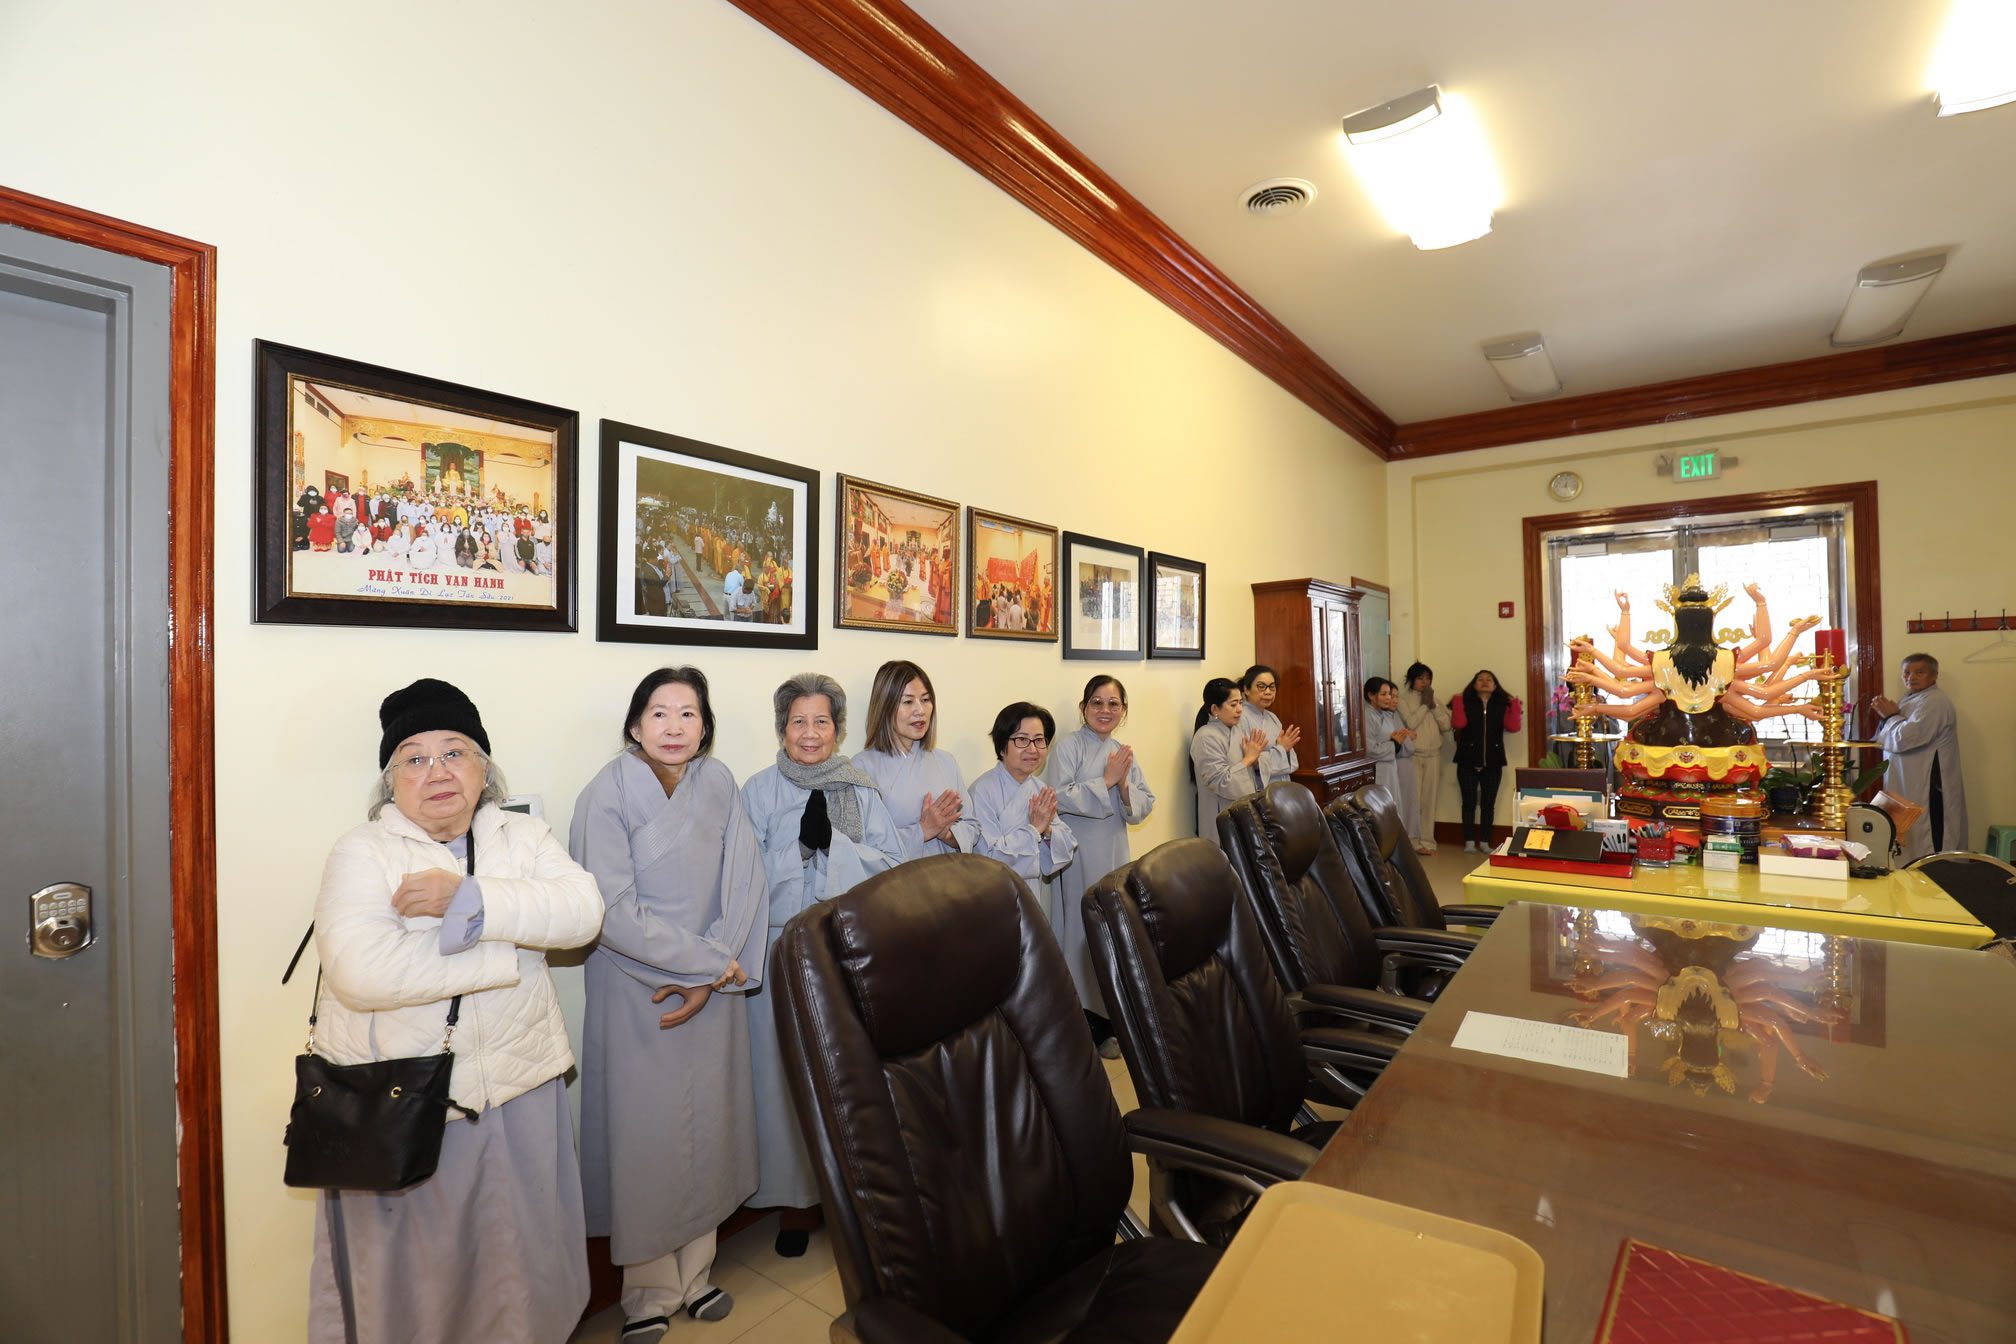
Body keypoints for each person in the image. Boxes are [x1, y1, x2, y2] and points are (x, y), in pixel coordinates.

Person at [308, 679, 602, 1343]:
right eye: (414, 758)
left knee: (524, 1266)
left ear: (484, 769)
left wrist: (467, 898)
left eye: (453, 753)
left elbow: (582, 913)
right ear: (391, 781)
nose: (436, 772)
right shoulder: (363, 851)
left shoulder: (525, 835)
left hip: (522, 1087)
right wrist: (508, 953)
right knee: (428, 1288)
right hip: (409, 1104)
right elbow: (362, 971)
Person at [570, 668, 766, 1336]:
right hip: (639, 986)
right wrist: (702, 963)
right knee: (647, 1140)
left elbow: (745, 880)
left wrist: (715, 967)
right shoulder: (606, 792)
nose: (674, 727)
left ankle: (698, 1275)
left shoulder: (720, 782)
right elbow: (609, 909)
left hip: (713, 979)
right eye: (659, 713)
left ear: (705, 727)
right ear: (635, 725)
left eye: (688, 714)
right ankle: (648, 1294)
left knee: (708, 1129)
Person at [741, 674, 904, 1256]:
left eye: (822, 722)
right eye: (798, 722)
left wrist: (837, 849)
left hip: (845, 951)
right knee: (787, 1076)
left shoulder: (860, 789)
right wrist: (800, 850)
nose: (810, 734)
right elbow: (740, 879)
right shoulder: (757, 791)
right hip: (779, 950)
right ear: (781, 729)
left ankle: (855, 1194)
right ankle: (797, 1201)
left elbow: (891, 867)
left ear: (838, 729)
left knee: (847, 1074)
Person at [1047, 676, 1153, 1060]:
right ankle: (1083, 1025)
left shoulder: (1122, 751)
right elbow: (1057, 796)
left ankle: (1112, 1019)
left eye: (1113, 704)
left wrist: (1122, 787)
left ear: (1123, 710)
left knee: (1112, 931)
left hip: (1114, 851)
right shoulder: (1068, 747)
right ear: (1083, 707)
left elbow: (1143, 802)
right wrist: (1106, 780)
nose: (1105, 710)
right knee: (1079, 933)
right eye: (1097, 702)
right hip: (1076, 854)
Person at [855, 660, 978, 861]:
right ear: (885, 706)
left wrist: (947, 834)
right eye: (908, 702)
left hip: (947, 876)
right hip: (896, 879)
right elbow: (863, 845)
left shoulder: (946, 762)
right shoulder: (861, 769)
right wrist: (923, 830)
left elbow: (972, 826)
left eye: (926, 699)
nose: (920, 710)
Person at [970, 701, 1078, 908]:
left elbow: (1065, 848)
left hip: (1030, 895)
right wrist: (1034, 830)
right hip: (992, 898)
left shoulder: (1040, 789)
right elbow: (989, 859)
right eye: (1022, 740)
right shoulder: (982, 791)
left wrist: (1047, 831)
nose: (1033, 749)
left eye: (1039, 740)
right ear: (1002, 746)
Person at [1871, 653, 1968, 862]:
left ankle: (1936, 871)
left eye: (1919, 672)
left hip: (1929, 781)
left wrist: (1890, 716)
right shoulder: (1909, 699)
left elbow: (1908, 738)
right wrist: (1888, 716)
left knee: (1930, 831)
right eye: (1906, 673)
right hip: (1907, 779)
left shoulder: (1935, 701)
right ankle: (1911, 868)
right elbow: (1886, 737)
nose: (1911, 677)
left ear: (1934, 675)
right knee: (1909, 829)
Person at [1189, 677, 1265, 850]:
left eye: (1241, 703)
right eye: (1233, 704)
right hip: (1219, 815)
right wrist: (1248, 759)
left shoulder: (1239, 729)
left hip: (1244, 811)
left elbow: (1251, 777)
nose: (1239, 709)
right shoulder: (1205, 737)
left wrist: (1255, 762)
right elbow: (1221, 782)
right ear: (1215, 709)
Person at [1452, 670, 1522, 853]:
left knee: (1488, 804)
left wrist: (1514, 704)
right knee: (1468, 802)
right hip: (1467, 760)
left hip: (1493, 762)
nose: (1484, 682)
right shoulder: (1465, 702)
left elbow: (1514, 727)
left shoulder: (1502, 705)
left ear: (1495, 685)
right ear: (1474, 684)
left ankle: (1484, 842)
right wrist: (1457, 701)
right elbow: (1458, 724)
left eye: (1489, 680)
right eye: (1480, 680)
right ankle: (1469, 842)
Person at [1397, 662, 1452, 854]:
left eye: (1428, 678)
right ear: (1412, 680)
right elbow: (1410, 723)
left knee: (1430, 800)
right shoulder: (1403, 699)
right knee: (1414, 800)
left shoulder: (1434, 698)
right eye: (1420, 678)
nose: (1425, 682)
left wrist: (1433, 706)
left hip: (1434, 754)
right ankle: (1412, 841)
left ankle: (1428, 841)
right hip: (1413, 755)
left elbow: (1446, 726)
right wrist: (1424, 706)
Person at [1363, 677, 1417, 838]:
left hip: (1390, 767)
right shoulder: (1367, 715)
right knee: (1381, 812)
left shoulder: (1385, 714)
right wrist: (1395, 743)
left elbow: (1393, 739)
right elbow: (1370, 749)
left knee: (1394, 809)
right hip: (1378, 769)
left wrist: (1398, 740)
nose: (1388, 698)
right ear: (1371, 696)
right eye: (1384, 694)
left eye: (1389, 694)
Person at [1238, 664, 1302, 788]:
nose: (1268, 692)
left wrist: (1283, 749)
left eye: (1272, 687)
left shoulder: (1273, 718)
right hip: (1256, 788)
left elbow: (1292, 762)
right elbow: (1247, 760)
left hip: (1280, 788)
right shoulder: (1239, 717)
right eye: (1261, 687)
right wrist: (1281, 749)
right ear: (1246, 689)